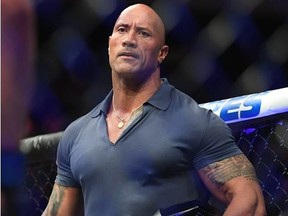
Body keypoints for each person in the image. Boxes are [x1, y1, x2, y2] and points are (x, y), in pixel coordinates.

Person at [42, 3, 266, 216]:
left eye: (143, 33)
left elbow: (250, 201)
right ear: (110, 44)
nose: (129, 40)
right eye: (122, 29)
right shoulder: (76, 133)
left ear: (162, 53)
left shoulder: (193, 120)